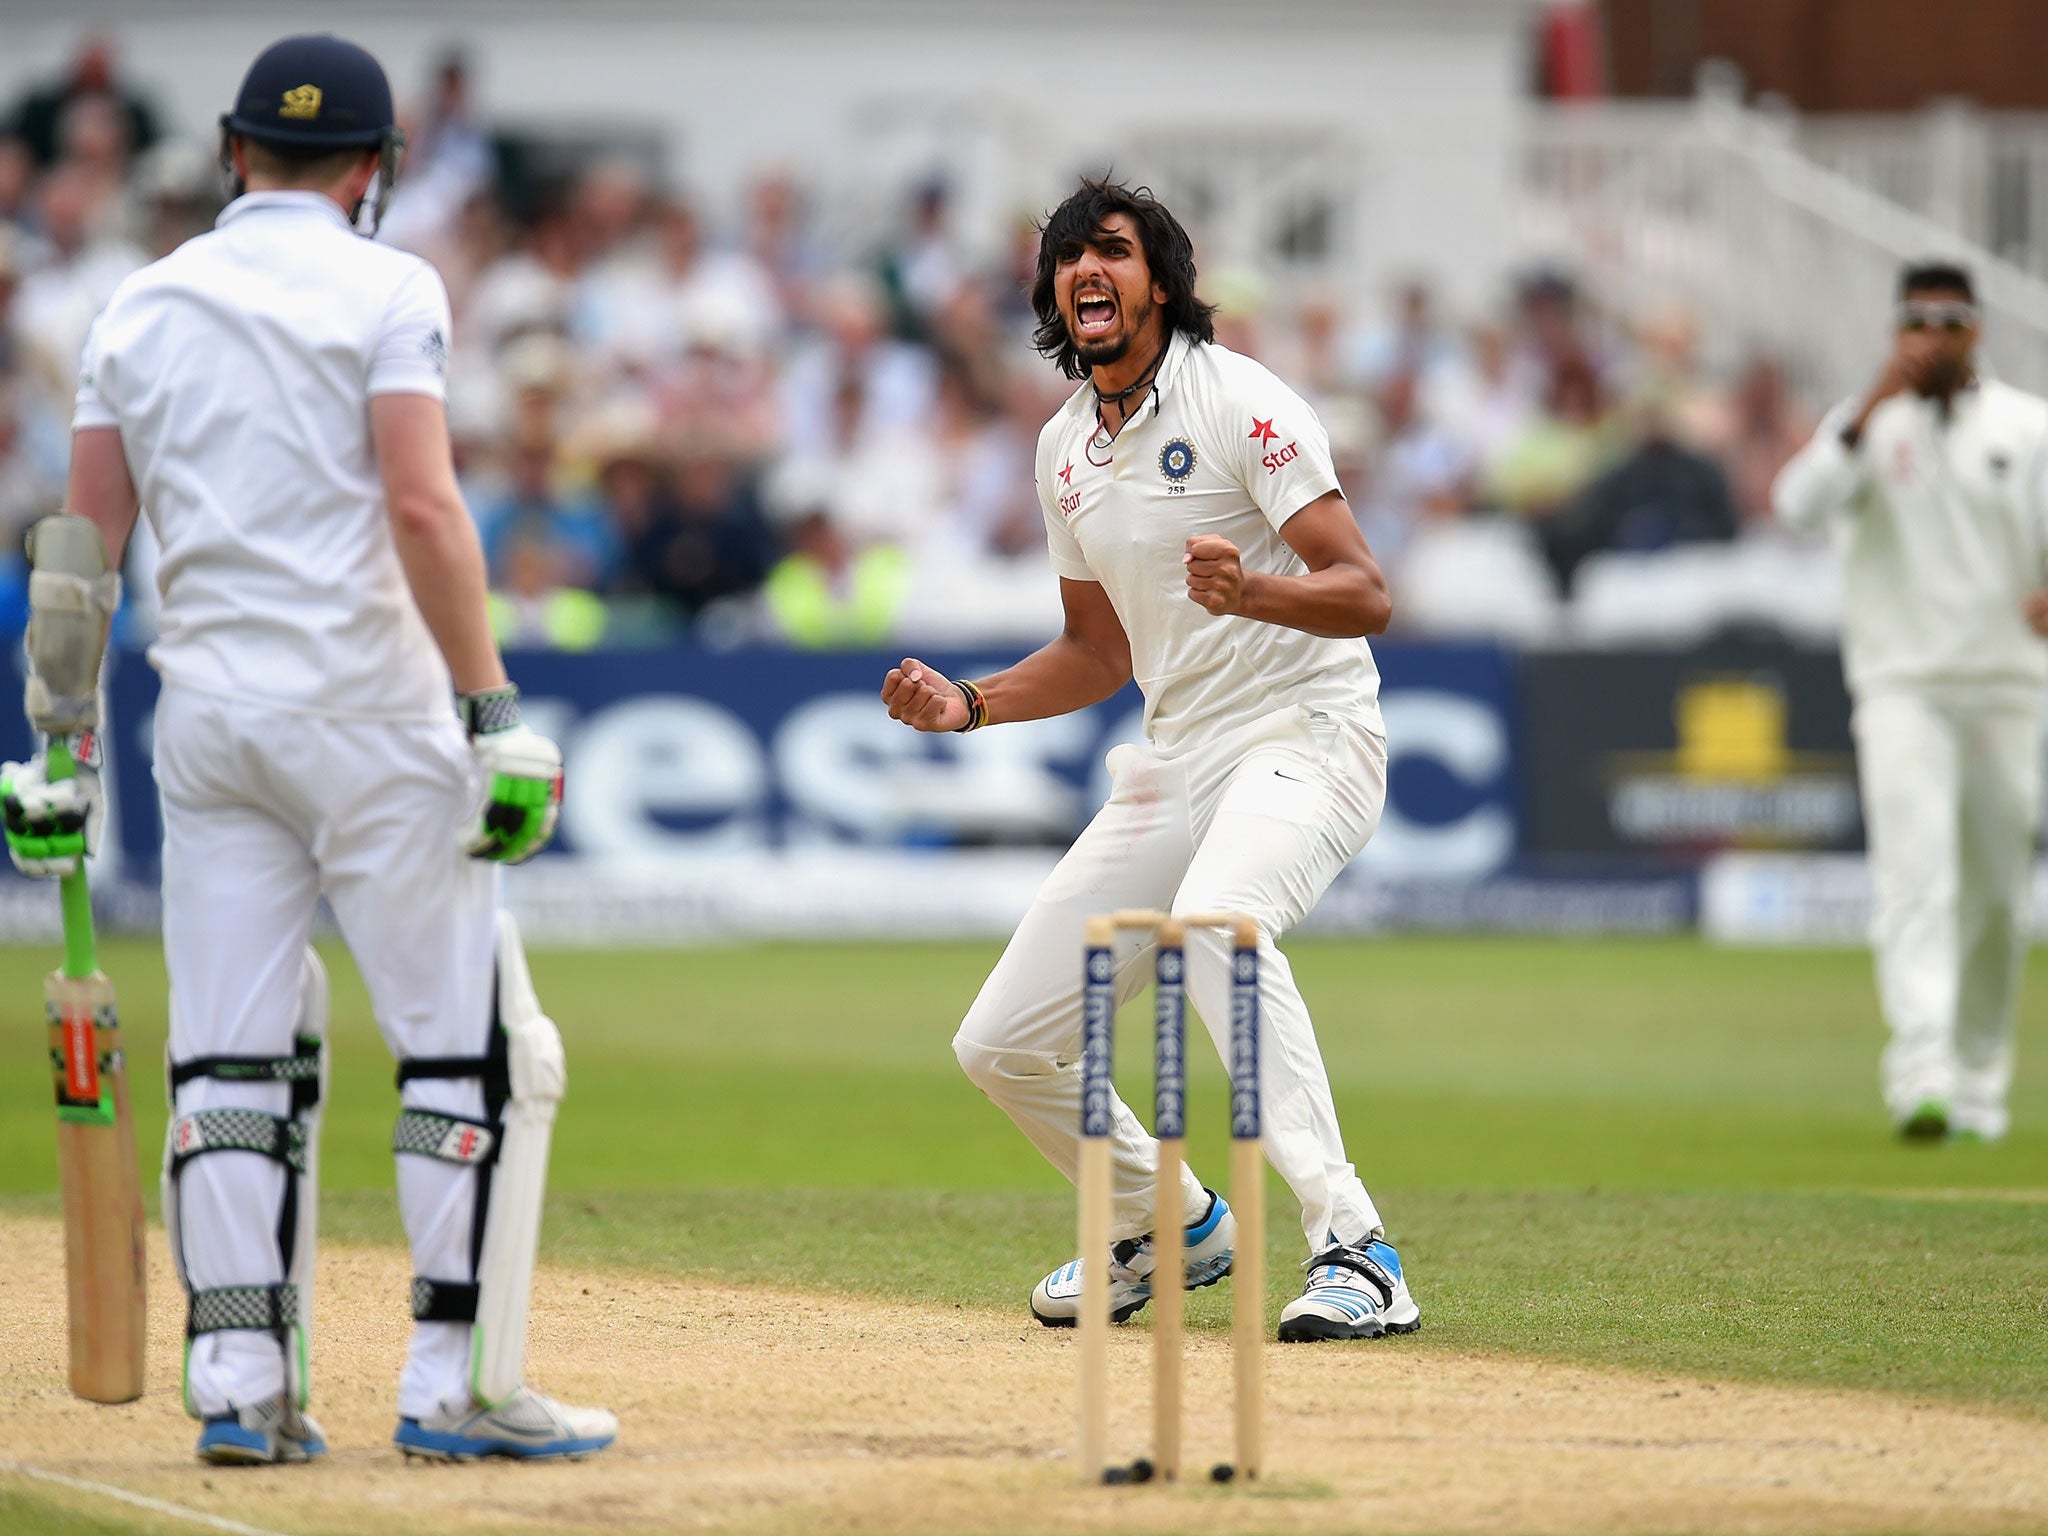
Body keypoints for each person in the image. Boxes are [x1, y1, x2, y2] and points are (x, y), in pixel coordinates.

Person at [0, 35, 616, 1464]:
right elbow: (423, 506)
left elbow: (83, 551)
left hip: (208, 726)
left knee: (226, 1055)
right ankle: (451, 1382)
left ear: (232, 155)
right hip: (373, 714)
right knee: (455, 1055)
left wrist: (57, 752)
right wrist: (494, 711)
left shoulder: (133, 306)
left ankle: (237, 1386)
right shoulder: (393, 283)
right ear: (372, 167)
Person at [881, 177, 1422, 1342]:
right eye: (1068, 255)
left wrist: (1258, 589)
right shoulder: (1063, 447)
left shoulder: (1243, 403)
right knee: (1002, 1043)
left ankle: (1355, 1250)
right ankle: (1169, 1225)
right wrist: (967, 705)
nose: (1086, 269)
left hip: (1306, 731)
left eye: (1112, 252)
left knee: (1217, 932)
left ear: (1161, 283)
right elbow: (1096, 651)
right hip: (1176, 758)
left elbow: (1367, 592)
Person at [1773, 260, 2048, 1143]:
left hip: (2008, 683)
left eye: (1950, 321)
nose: (1934, 337)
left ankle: (1978, 1082)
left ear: (1977, 330)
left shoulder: (2027, 424)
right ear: (1898, 331)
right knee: (1915, 876)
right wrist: (1872, 402)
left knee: (2000, 895)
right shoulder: (1861, 425)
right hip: (1900, 687)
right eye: (1917, 322)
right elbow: (1798, 506)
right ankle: (1921, 1076)